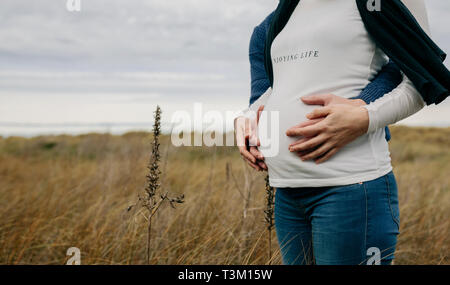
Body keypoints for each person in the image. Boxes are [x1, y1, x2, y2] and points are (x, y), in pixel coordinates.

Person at [234, 0, 449, 265]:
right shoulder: (284, 13)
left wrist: (363, 115)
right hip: (287, 193)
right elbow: (278, 88)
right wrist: (247, 118)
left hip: (351, 188)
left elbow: (418, 78)